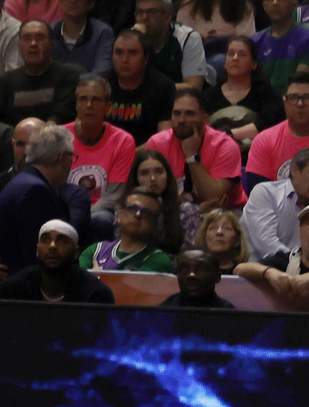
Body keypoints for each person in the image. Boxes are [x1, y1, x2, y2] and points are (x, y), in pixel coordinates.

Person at [0, 123, 83, 273]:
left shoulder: (22, 182)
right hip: (28, 288)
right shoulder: (36, 191)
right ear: (61, 158)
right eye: (72, 158)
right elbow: (37, 254)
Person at [146, 87, 246, 216]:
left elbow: (213, 200)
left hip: (223, 214)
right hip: (172, 212)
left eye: (189, 114)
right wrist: (190, 209)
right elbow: (148, 193)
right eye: (176, 113)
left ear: (205, 119)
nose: (181, 120)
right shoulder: (157, 143)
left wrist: (191, 156)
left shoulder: (225, 146)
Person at [65, 74, 135, 235]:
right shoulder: (60, 137)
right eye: (83, 99)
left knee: (101, 220)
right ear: (76, 105)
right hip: (65, 208)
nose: (89, 105)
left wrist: (77, 220)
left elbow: (112, 197)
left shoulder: (123, 141)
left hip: (101, 211)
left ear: (108, 107)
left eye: (96, 100)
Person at [243, 148, 309, 262]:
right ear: (294, 170)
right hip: (259, 274)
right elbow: (266, 245)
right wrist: (299, 266)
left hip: (308, 275)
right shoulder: (266, 193)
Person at [0, 218, 115, 303]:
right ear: (37, 250)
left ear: (76, 253)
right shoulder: (11, 290)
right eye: (46, 240)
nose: (52, 246)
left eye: (62, 241)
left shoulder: (96, 294)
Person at [0, 20, 82, 125]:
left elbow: (62, 114)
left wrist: (40, 136)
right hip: (12, 139)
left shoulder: (67, 76)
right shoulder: (7, 80)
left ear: (52, 45)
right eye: (27, 38)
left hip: (53, 137)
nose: (33, 44)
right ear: (19, 46)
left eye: (40, 38)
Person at [79, 187, 174, 272]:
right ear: (119, 215)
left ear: (155, 224)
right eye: (131, 208)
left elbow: (133, 290)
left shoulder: (158, 259)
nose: (137, 214)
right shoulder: (94, 251)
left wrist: (98, 278)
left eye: (147, 213)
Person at [51, 0, 115, 72]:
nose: (73, 0)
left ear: (90, 3)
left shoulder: (103, 32)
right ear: (59, 1)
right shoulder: (49, 31)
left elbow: (102, 71)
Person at [158, 246, 235, 308]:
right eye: (184, 269)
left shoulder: (229, 316)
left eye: (202, 269)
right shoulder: (161, 313)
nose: (191, 275)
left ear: (217, 277)